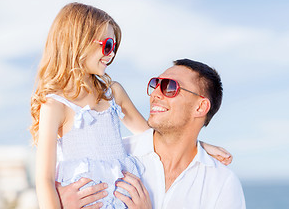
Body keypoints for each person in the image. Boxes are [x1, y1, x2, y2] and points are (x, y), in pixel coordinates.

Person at [30, 2, 232, 209]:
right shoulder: (55, 104)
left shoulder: (112, 92)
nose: (111, 54)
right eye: (107, 45)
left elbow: (152, 136)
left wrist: (199, 146)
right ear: (78, 42)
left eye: (114, 48)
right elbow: (44, 179)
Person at [57, 58, 246, 209]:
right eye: (156, 84)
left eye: (170, 87)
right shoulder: (113, 157)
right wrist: (60, 202)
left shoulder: (222, 183)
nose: (155, 93)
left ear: (200, 106)